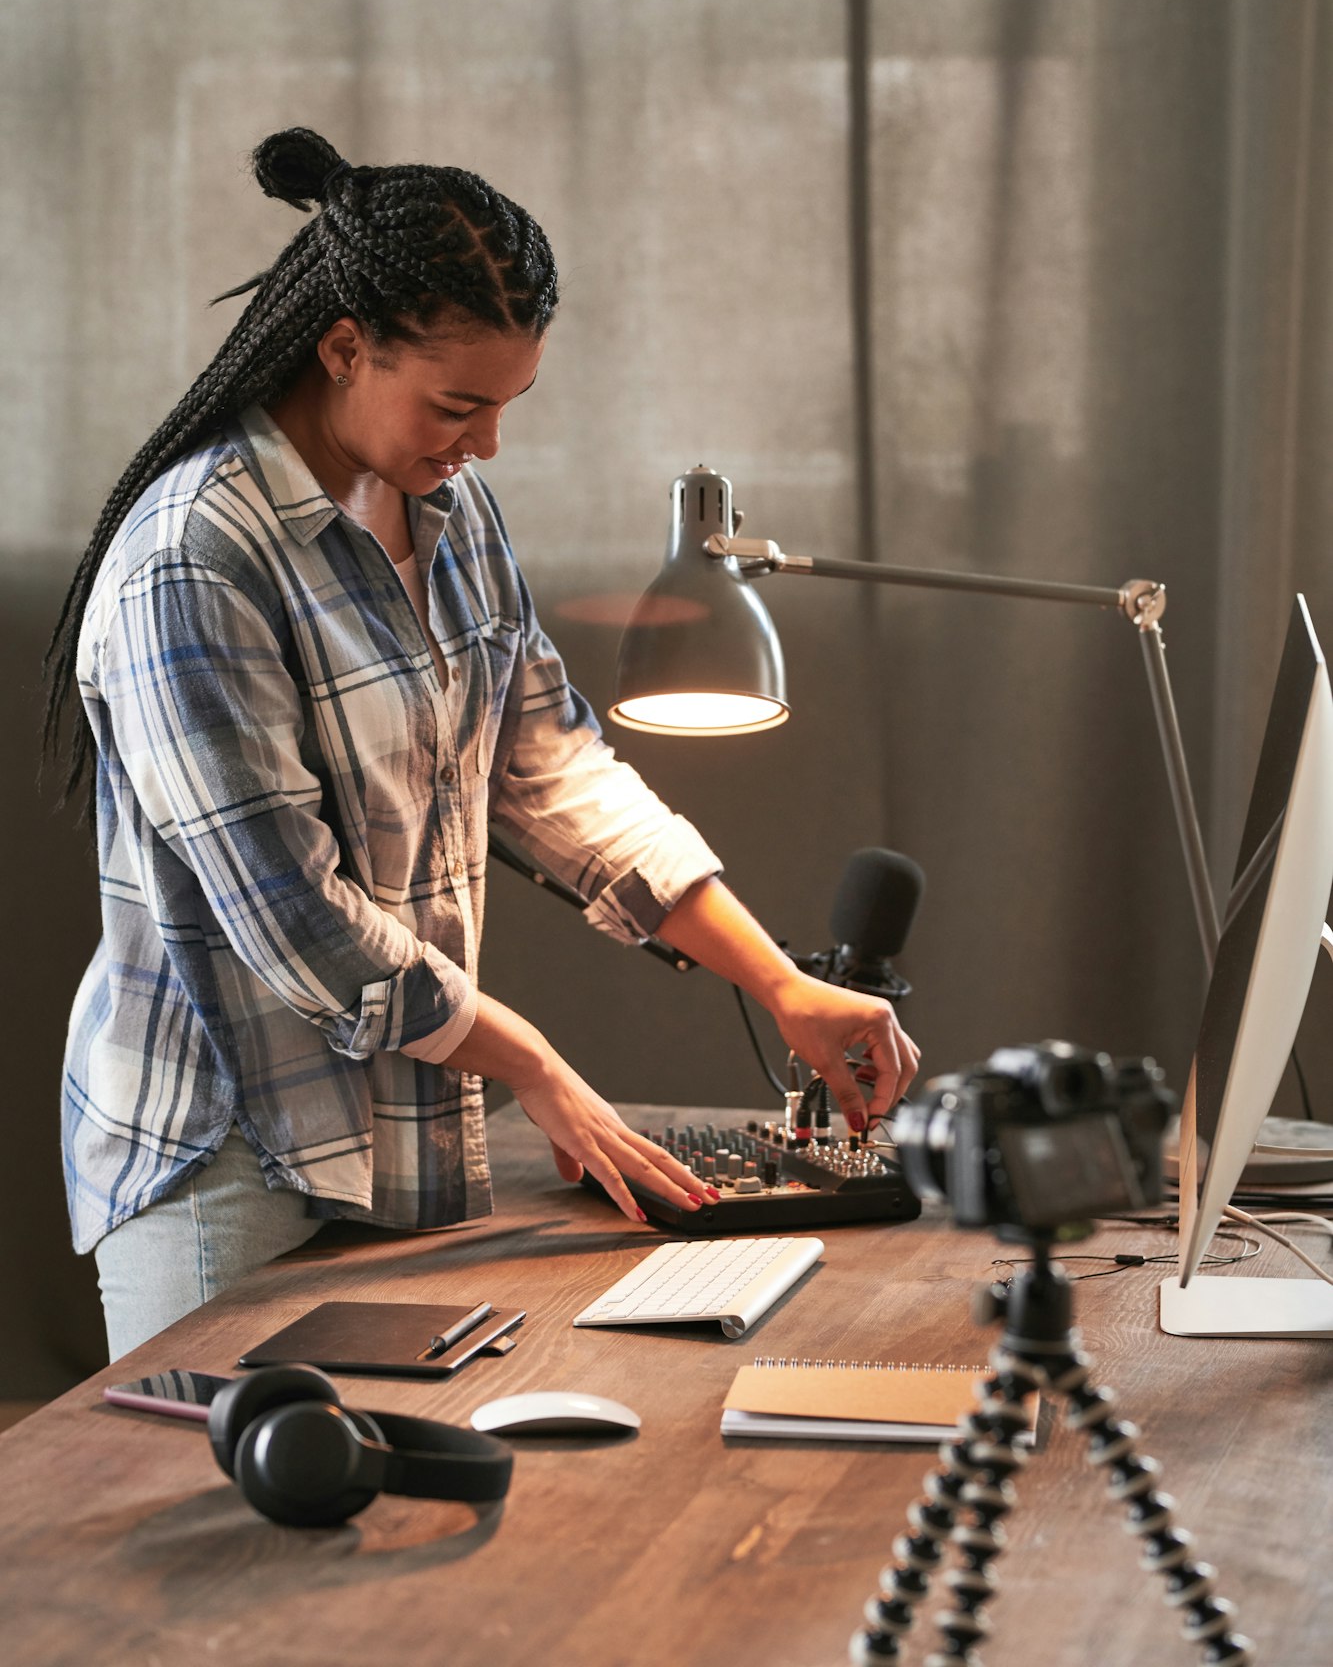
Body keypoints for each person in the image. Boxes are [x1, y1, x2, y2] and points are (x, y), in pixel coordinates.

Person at [45, 127, 920, 1359]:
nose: (486, 444)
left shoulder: (449, 509)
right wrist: (534, 1066)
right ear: (343, 347)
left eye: (506, 406)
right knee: (236, 1527)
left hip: (405, 1131)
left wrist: (777, 980)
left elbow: (553, 769)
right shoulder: (194, 557)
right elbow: (296, 917)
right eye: (458, 404)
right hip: (236, 1161)